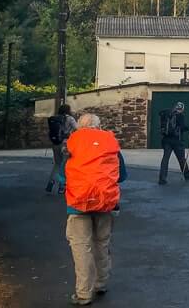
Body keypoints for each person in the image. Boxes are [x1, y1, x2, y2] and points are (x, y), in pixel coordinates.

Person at [63, 113, 127, 306]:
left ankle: (83, 293)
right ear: (99, 127)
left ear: (79, 128)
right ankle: (101, 283)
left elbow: (62, 176)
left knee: (82, 247)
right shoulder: (110, 146)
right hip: (105, 203)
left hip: (77, 205)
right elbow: (122, 176)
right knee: (102, 243)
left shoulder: (72, 146)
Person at [158, 101, 189, 185]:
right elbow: (182, 128)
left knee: (165, 159)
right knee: (181, 158)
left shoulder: (167, 114)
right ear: (182, 109)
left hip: (166, 140)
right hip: (177, 140)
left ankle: (162, 178)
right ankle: (186, 174)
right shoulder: (180, 116)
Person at [45, 103, 78, 194]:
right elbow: (77, 129)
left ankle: (51, 182)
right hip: (66, 143)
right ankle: (62, 186)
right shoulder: (70, 118)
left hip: (55, 143)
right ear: (68, 110)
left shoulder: (55, 118)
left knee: (57, 164)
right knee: (65, 165)